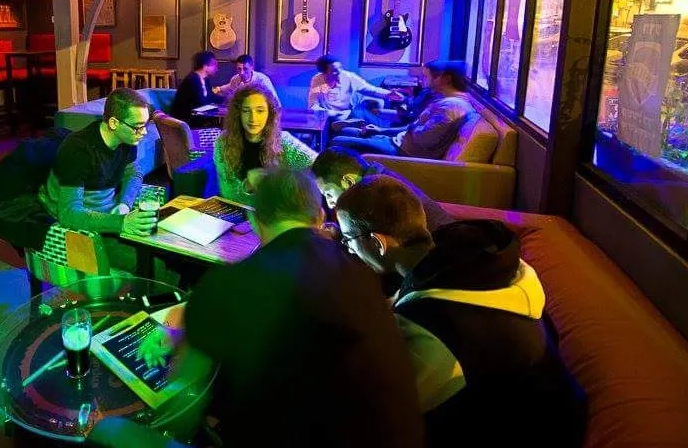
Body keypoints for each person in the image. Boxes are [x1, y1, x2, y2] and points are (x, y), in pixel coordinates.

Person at [134, 168, 425, 448]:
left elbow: (181, 412)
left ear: (254, 220)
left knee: (115, 431)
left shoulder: (226, 284)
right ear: (320, 217)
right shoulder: (361, 274)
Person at [335, 175, 587, 448]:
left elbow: (387, 415)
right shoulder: (485, 259)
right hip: (557, 414)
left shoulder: (434, 327)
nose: (350, 250)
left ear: (378, 243)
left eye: (349, 240)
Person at [37, 88, 160, 271]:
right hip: (81, 233)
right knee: (156, 265)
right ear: (113, 123)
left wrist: (124, 204)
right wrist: (121, 223)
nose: (143, 133)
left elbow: (134, 173)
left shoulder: (127, 139)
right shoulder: (78, 150)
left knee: (172, 257)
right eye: (137, 127)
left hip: (107, 221)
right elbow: (69, 214)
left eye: (145, 125)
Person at [329, 60, 475, 158]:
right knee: (346, 131)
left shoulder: (451, 107)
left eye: (430, 77)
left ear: (446, 79)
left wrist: (414, 124)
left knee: (337, 141)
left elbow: (424, 138)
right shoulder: (444, 101)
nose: (425, 80)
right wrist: (381, 131)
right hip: (399, 140)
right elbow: (414, 127)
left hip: (404, 153)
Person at [213, 84, 317, 205]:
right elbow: (227, 193)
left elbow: (317, 165)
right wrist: (248, 185)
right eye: (246, 111)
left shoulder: (283, 141)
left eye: (260, 111)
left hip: (276, 212)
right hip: (238, 211)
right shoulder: (223, 143)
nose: (253, 118)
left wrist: (275, 179)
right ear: (238, 114)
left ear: (270, 113)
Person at [312, 147, 453, 231]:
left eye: (328, 194)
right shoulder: (378, 177)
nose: (329, 204)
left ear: (348, 181)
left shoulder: (375, 196)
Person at [308, 54, 403, 119]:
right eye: (335, 71)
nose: (340, 72)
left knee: (359, 114)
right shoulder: (317, 80)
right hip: (327, 116)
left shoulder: (349, 77)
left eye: (340, 68)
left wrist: (388, 94)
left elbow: (370, 89)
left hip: (347, 114)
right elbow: (313, 105)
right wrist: (329, 113)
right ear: (324, 73)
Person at [170, 51, 222, 121]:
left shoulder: (205, 79)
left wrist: (227, 99)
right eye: (214, 65)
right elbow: (200, 103)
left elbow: (211, 97)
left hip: (195, 117)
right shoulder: (192, 80)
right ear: (205, 66)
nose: (216, 68)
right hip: (185, 120)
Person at [212, 54, 279, 103]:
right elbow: (229, 87)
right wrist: (218, 89)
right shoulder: (235, 79)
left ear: (252, 67)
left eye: (245, 69)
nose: (242, 72)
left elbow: (274, 100)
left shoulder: (262, 80)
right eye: (239, 69)